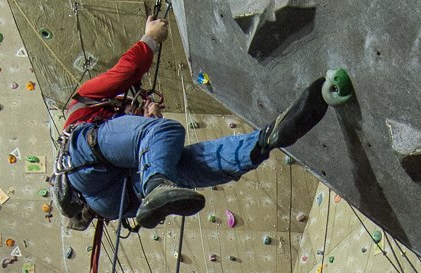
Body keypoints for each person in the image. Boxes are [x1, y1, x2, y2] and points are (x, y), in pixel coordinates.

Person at [58, 14, 332, 229]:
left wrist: (147, 120)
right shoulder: (84, 101)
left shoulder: (117, 127)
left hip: (110, 201)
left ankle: (262, 142)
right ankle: (157, 186)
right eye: (136, 102)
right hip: (84, 160)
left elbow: (134, 141)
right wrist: (150, 38)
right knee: (164, 133)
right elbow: (126, 71)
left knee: (185, 165)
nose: (138, 105)